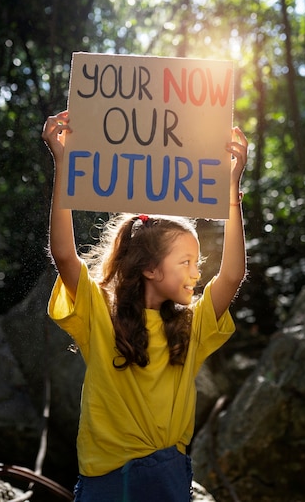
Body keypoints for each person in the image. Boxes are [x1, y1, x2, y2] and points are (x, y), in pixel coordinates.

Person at [42, 109, 248, 502]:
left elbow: (232, 277)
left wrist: (231, 195)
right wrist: (63, 164)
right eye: (185, 262)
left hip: (170, 474)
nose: (196, 272)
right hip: (109, 478)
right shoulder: (98, 313)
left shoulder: (192, 324)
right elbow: (65, 256)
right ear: (151, 269)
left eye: (198, 262)